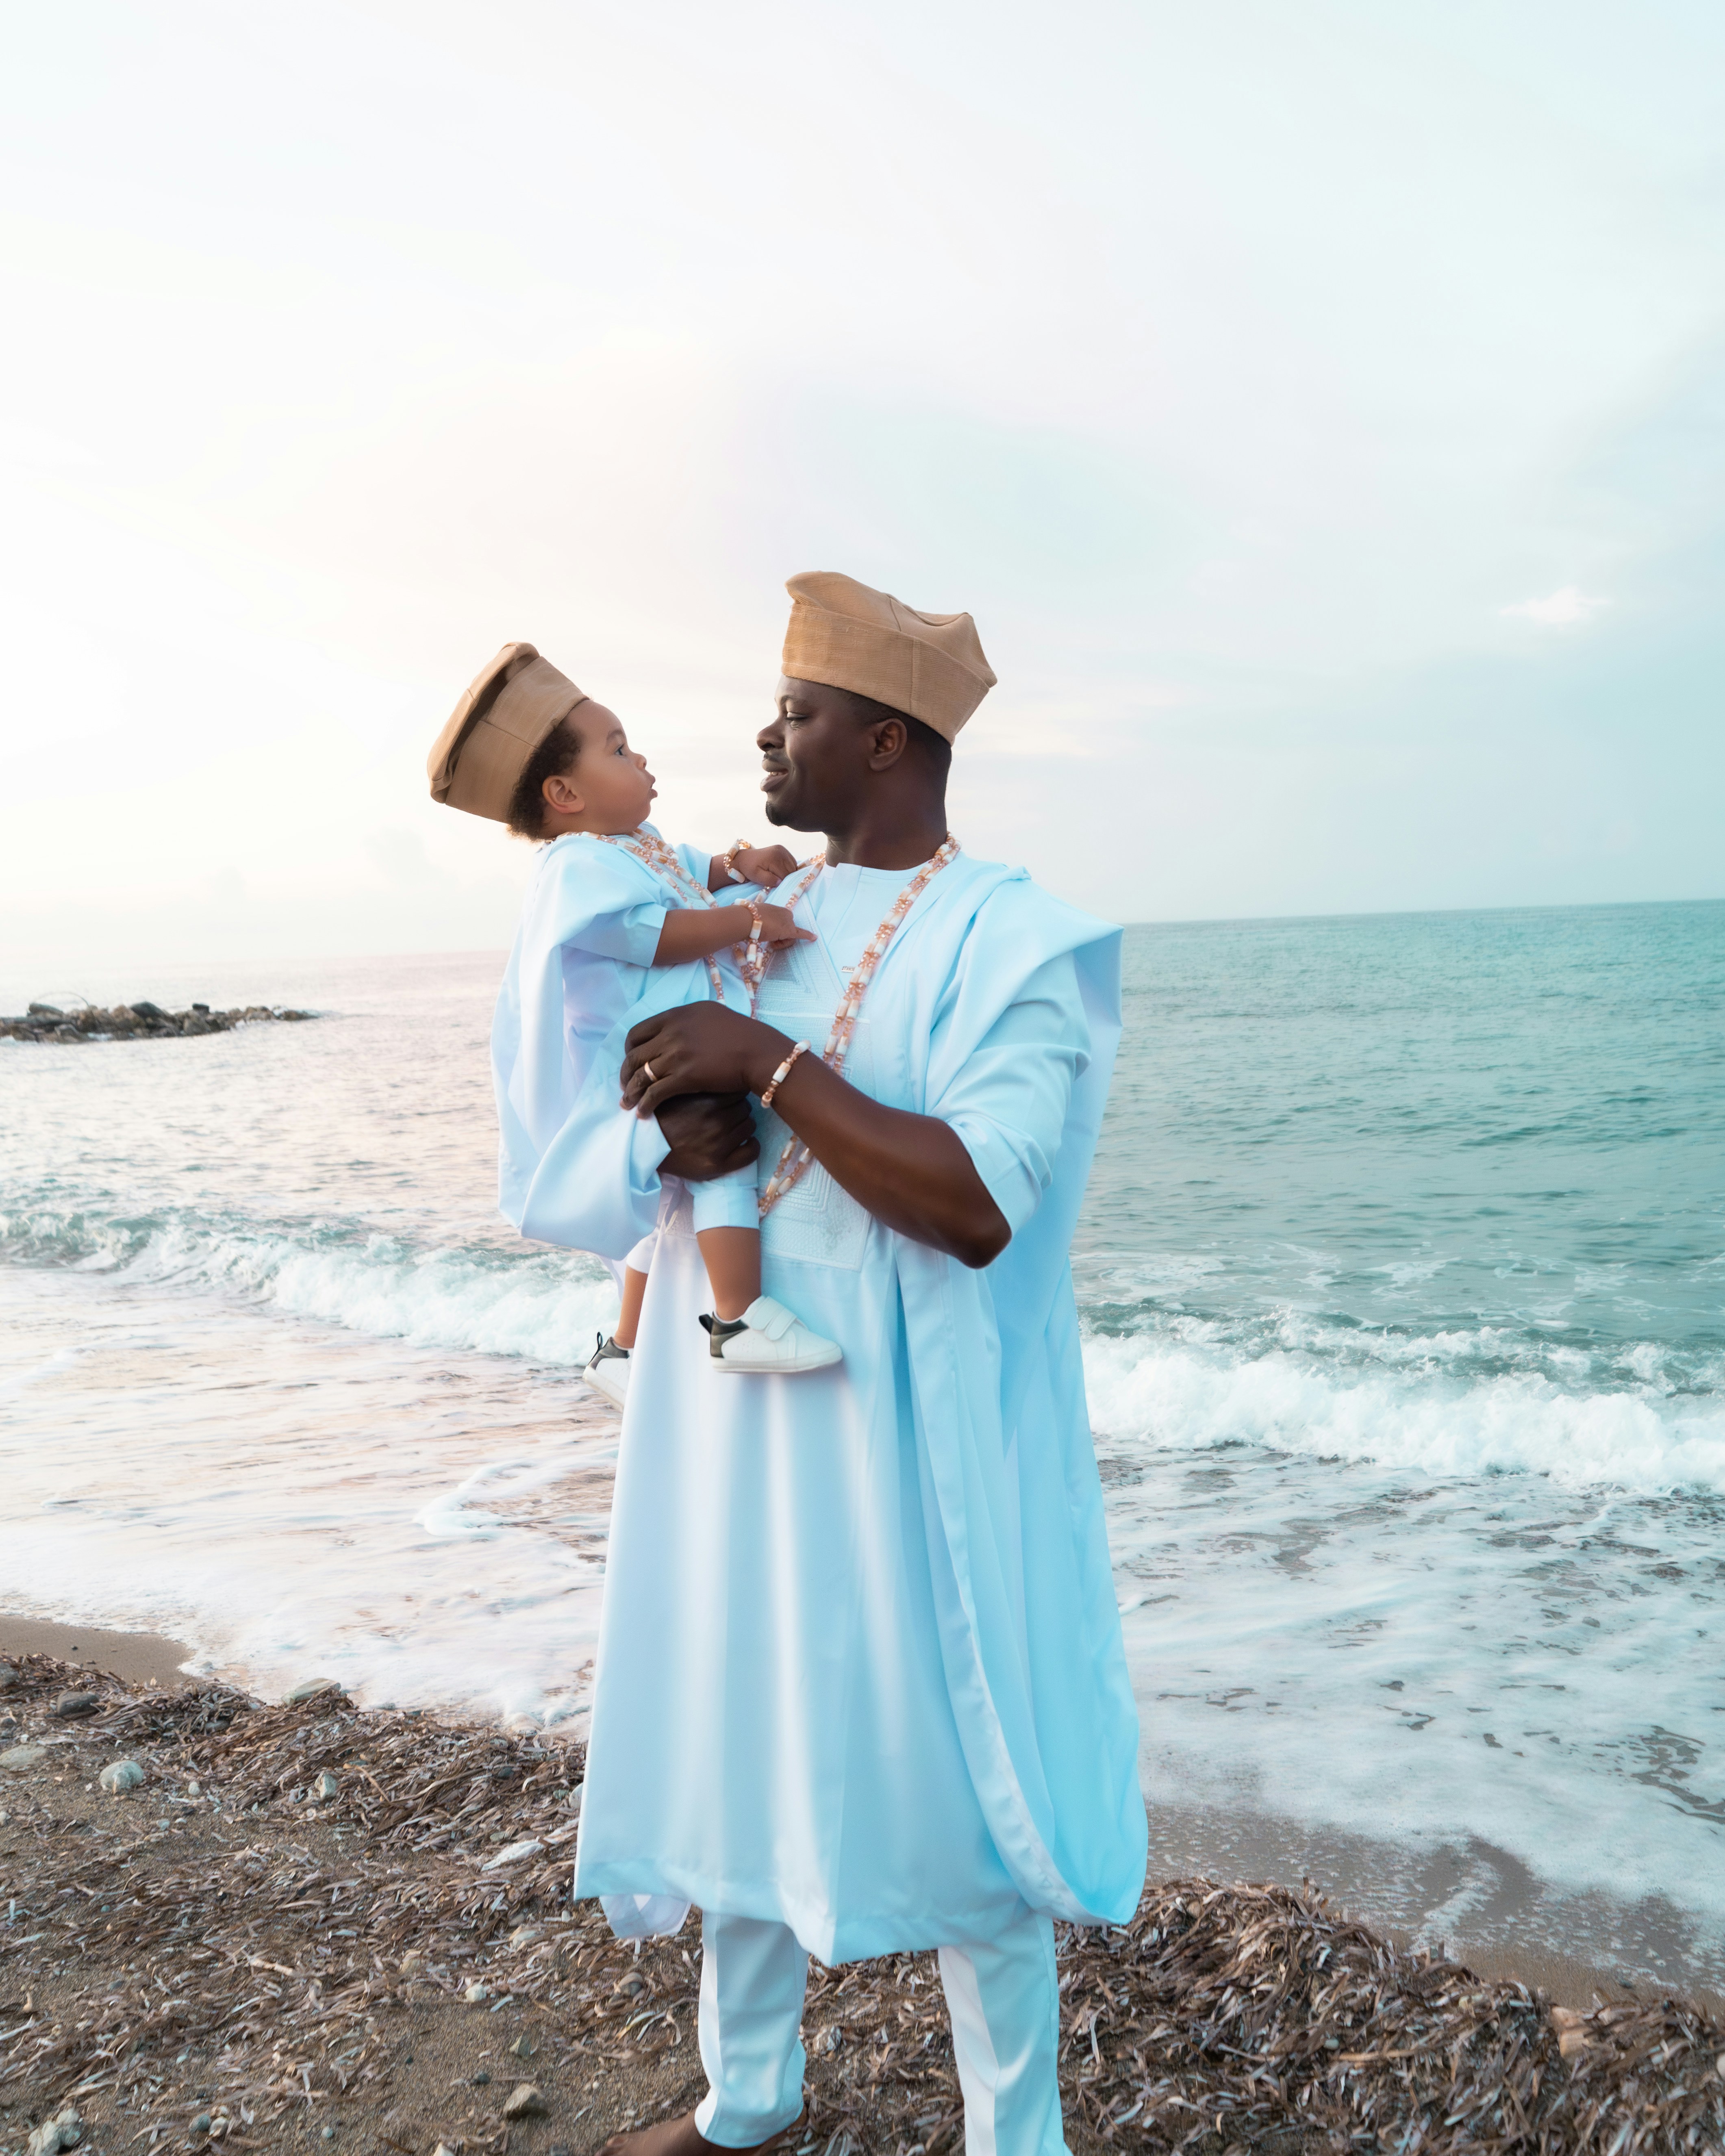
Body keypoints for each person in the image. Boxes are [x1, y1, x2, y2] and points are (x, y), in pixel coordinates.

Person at [548, 573, 1146, 2156]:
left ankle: (1018, 2139)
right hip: (732, 1398)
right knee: (735, 1721)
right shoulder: (746, 915)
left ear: (884, 739)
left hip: (905, 1424)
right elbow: (622, 1120)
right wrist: (672, 1116)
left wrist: (771, 1065)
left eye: (797, 712)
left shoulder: (1010, 936)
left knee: (960, 1769)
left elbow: (971, 1206)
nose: (763, 733)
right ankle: (747, 2096)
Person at [426, 642, 843, 1401]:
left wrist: (735, 864)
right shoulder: (575, 865)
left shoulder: (631, 844)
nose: (640, 757)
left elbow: (688, 869)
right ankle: (738, 1318)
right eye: (617, 749)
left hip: (667, 1041)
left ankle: (624, 1344)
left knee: (668, 1204)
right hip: (646, 1056)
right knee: (719, 1152)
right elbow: (647, 933)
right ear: (563, 793)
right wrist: (748, 920)